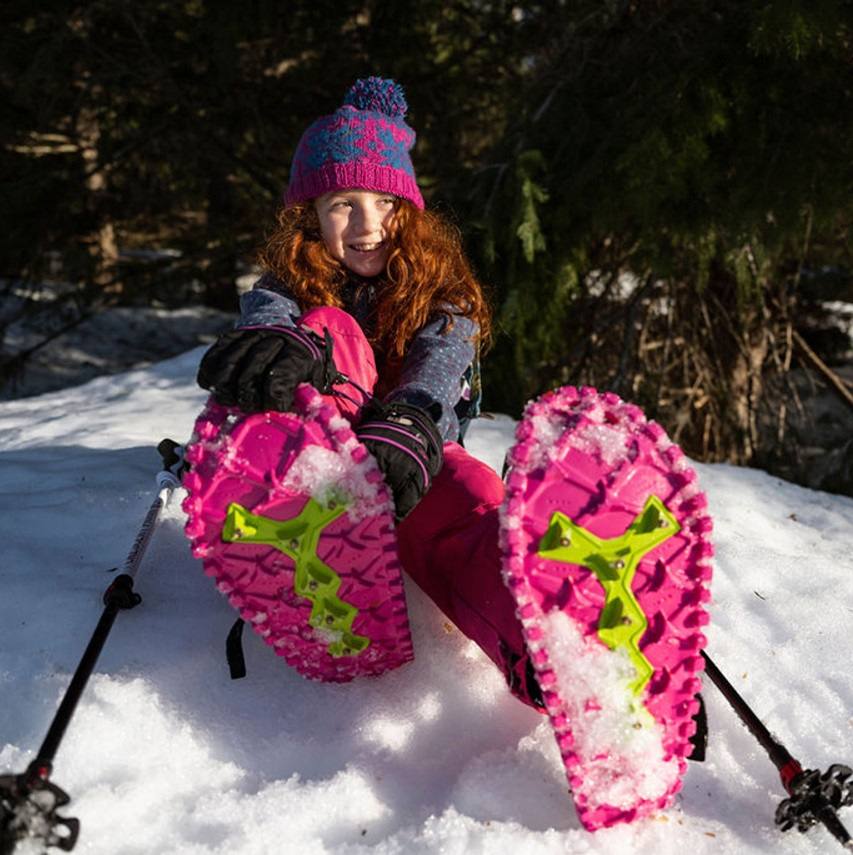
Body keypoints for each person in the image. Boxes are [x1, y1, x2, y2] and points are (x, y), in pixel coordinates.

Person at [196, 76, 544, 708]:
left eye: (383, 202)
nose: (367, 224)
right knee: (326, 325)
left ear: (407, 208)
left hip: (408, 463)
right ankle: (309, 510)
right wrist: (285, 343)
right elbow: (266, 316)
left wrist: (413, 421)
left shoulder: (444, 290)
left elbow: (442, 360)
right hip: (324, 458)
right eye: (341, 204)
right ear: (310, 213)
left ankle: (540, 647)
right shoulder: (286, 285)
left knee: (474, 497)